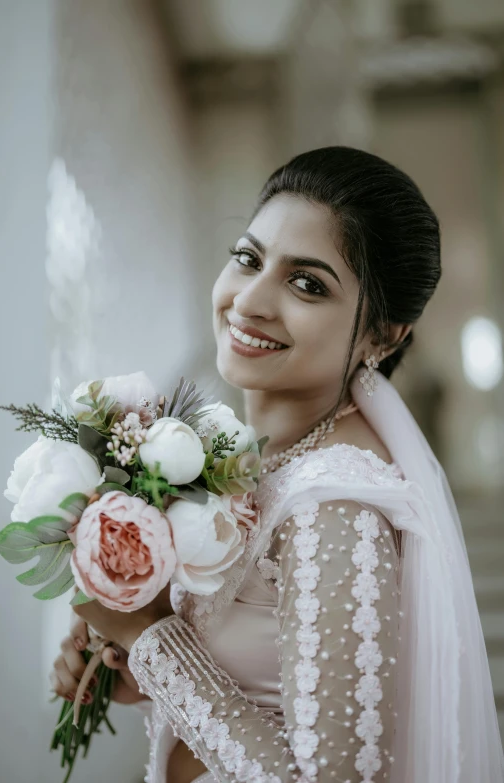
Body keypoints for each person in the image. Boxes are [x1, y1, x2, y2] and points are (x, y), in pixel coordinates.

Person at [49, 147, 504, 783]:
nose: (251, 301)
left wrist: (151, 636)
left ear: (383, 336)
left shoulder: (336, 505)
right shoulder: (269, 460)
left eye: (307, 283)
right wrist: (140, 672)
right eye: (248, 259)